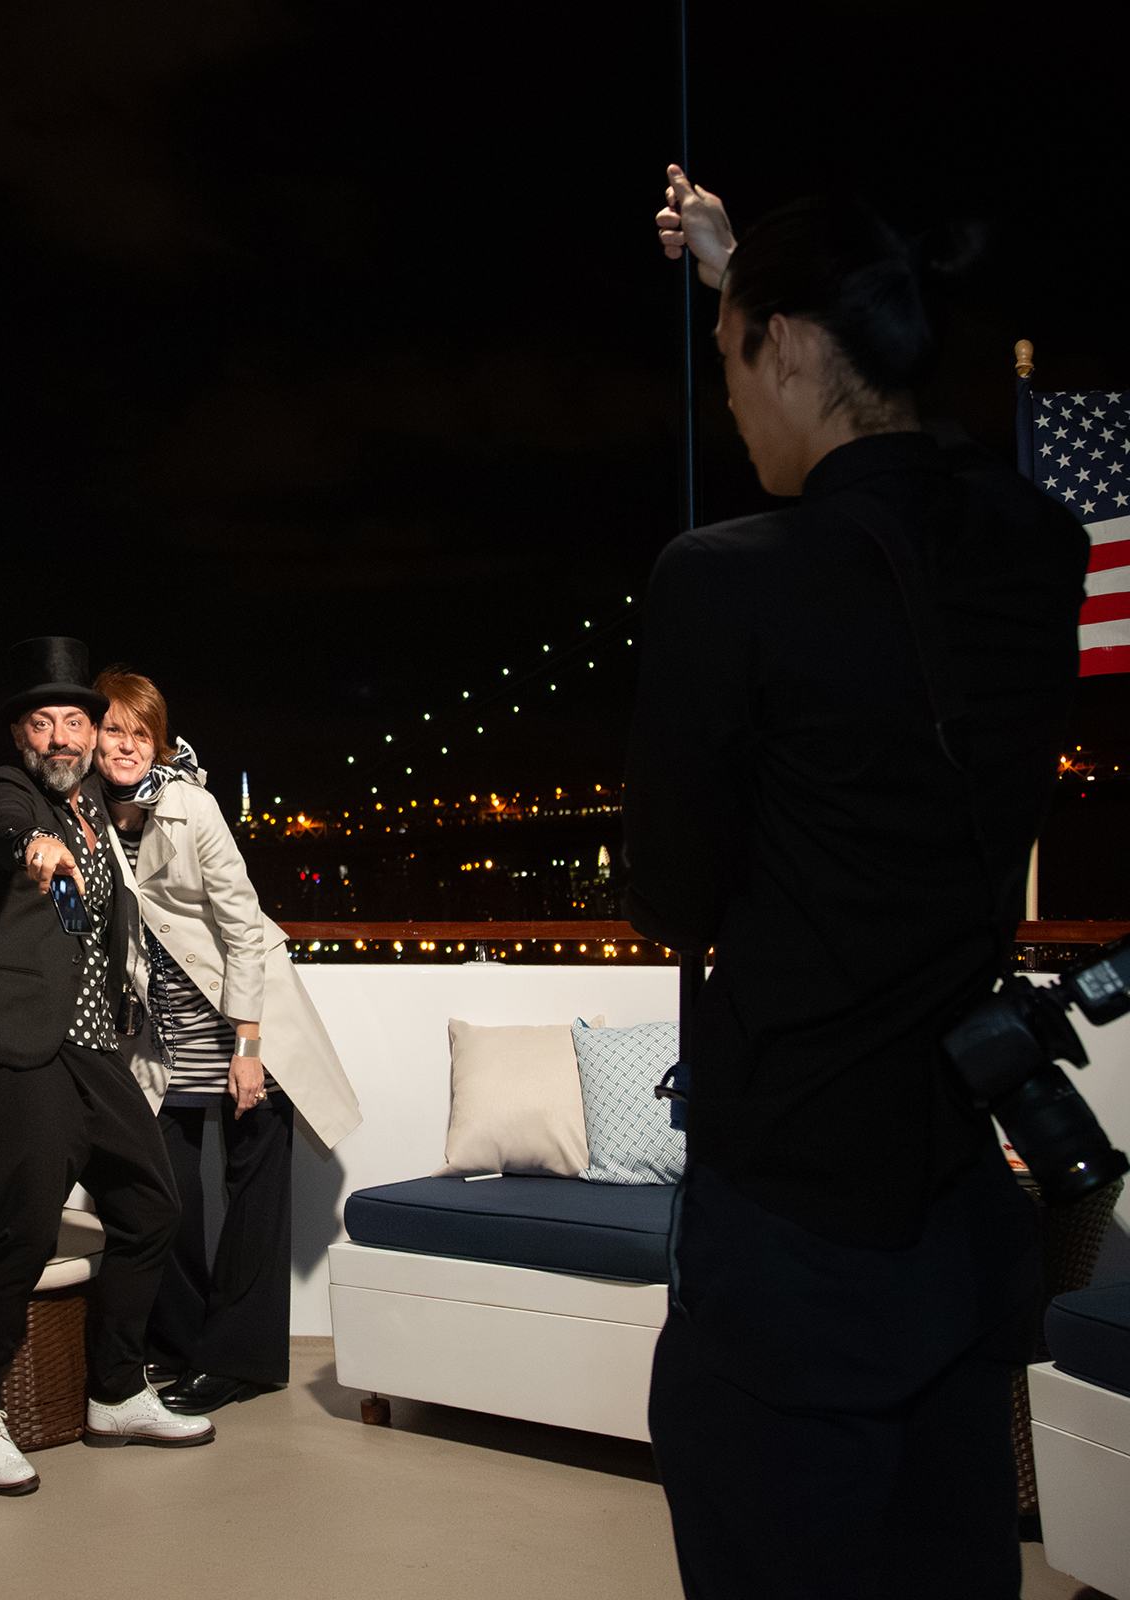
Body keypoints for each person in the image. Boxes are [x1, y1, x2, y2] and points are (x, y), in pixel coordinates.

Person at [629, 170, 1087, 1597]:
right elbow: (912, 524)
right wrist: (739, 275)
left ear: (785, 346)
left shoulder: (723, 578)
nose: (732, 405)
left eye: (732, 362)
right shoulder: (1040, 548)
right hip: (956, 1209)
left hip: (792, 1236)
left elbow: (675, 901)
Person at [0, 636, 213, 1495]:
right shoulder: (10, 791)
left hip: (98, 1050)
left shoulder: (99, 809)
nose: (59, 737)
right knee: (23, 1229)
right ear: (20, 733)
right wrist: (32, 848)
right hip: (26, 1052)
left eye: (75, 722)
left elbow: (166, 791)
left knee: (153, 1206)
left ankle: (116, 1390)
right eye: (42, 722)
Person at [89, 670, 361, 1414]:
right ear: (91, 736)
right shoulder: (85, 813)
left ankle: (240, 1361)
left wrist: (248, 1046)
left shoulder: (193, 806)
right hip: (164, 1038)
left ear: (159, 743)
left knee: (255, 1201)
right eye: (113, 729)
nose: (126, 745)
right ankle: (177, 1347)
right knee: (164, 1197)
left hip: (245, 1023)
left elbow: (243, 927)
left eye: (141, 733)